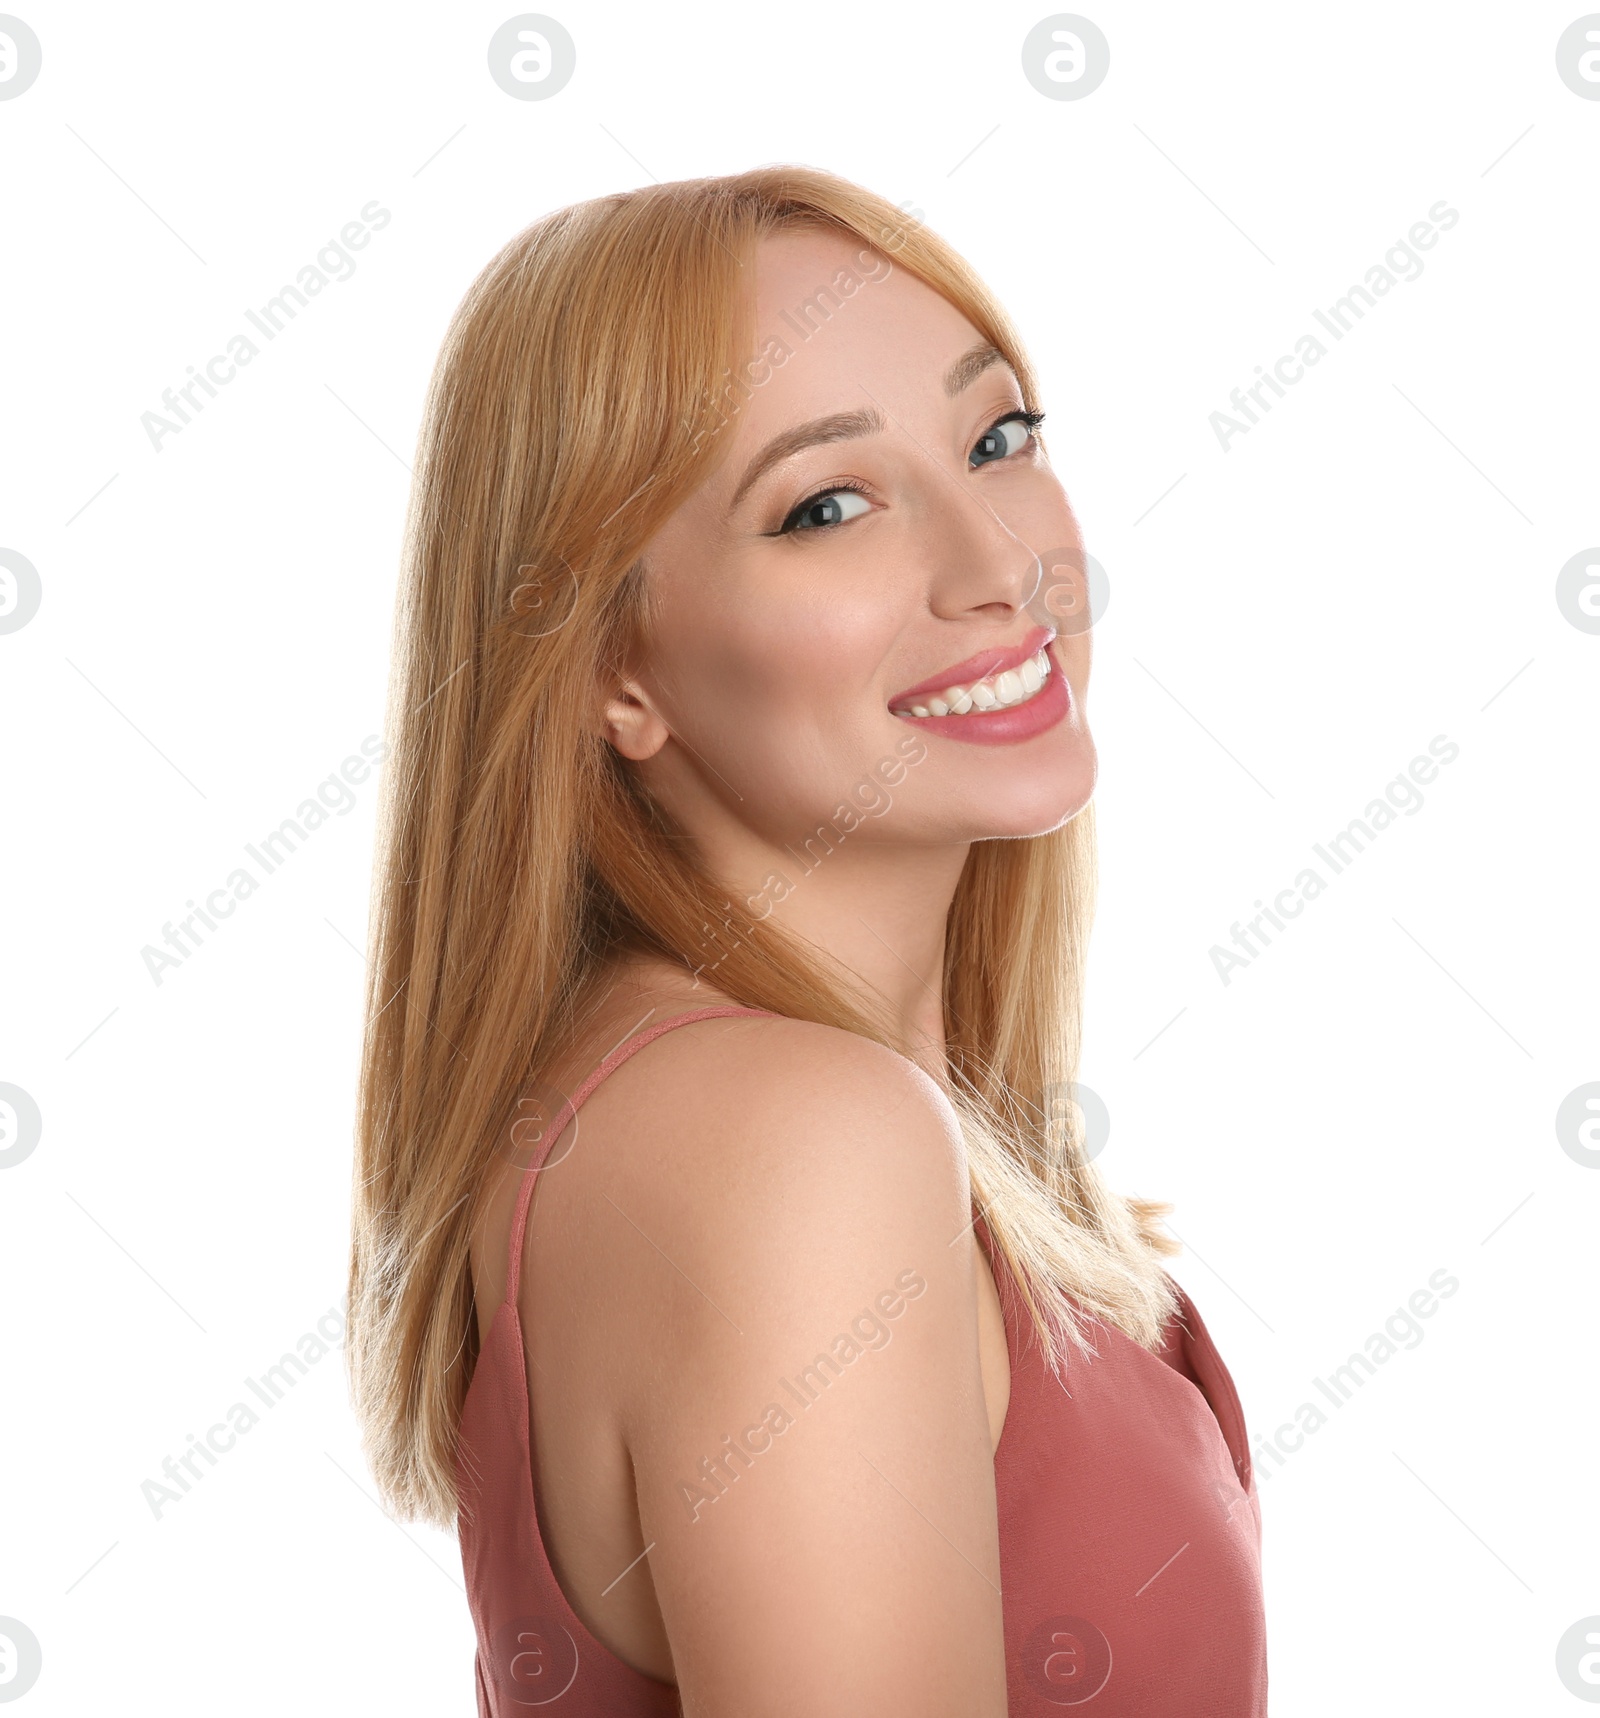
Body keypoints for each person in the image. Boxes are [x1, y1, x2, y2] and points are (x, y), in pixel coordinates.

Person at [347, 165, 1267, 1716]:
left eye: (998, 439)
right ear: (610, 673)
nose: (1000, 564)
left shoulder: (755, 1108)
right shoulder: (794, 1143)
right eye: (826, 506)